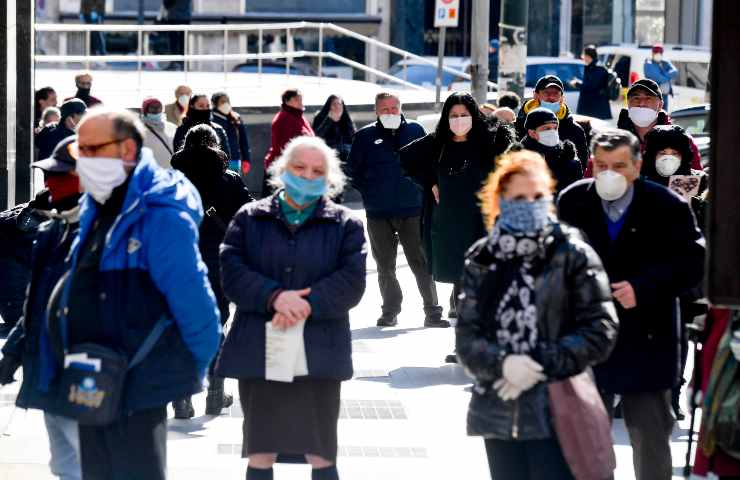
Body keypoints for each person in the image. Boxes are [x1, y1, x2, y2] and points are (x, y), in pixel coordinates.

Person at [52, 107, 221, 479]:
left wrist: (183, 373)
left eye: (93, 149)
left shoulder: (160, 212)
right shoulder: (98, 202)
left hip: (140, 380)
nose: (84, 161)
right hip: (91, 375)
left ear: (127, 150)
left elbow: (195, 301)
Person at [456, 149, 618, 480]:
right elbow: (467, 336)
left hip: (558, 407)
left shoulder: (571, 252)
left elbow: (601, 329)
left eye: (537, 196)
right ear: (500, 199)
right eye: (519, 197)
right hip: (499, 407)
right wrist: (503, 364)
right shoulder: (483, 257)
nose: (529, 204)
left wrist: (538, 364)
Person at [557, 129, 705, 480]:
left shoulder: (666, 205)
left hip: (649, 336)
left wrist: (644, 287)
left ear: (638, 165)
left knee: (650, 436)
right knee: (585, 442)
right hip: (587, 336)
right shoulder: (573, 201)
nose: (610, 174)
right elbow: (552, 260)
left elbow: (692, 262)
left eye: (620, 166)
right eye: (602, 165)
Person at [216, 135, 367, 480]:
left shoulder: (346, 224)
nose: (307, 176)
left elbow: (351, 281)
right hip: (261, 347)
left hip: (319, 351)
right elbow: (232, 270)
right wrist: (274, 297)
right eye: (299, 168)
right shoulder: (250, 217)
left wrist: (305, 303)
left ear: (330, 179)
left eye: (317, 171)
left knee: (320, 451)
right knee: (261, 450)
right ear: (283, 169)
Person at [0, 136, 84, 480]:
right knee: (65, 463)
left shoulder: (118, 231)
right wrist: (14, 349)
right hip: (51, 368)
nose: (50, 183)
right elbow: (38, 299)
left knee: (92, 461)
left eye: (61, 176)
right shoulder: (53, 230)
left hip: (96, 372)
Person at [400, 92, 515, 333]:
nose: (459, 120)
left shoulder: (490, 142)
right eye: (454, 115)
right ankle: (464, 343)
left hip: (482, 223)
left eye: (464, 114)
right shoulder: (437, 143)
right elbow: (406, 159)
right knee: (461, 283)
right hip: (449, 225)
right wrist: (429, 181)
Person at [170, 124, 253, 418]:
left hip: (180, 262)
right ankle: (215, 395)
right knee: (217, 324)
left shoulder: (171, 180)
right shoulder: (229, 179)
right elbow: (249, 217)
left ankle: (181, 398)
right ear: (216, 145)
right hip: (219, 261)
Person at [346, 92, 445, 328]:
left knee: (421, 261)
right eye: (385, 109)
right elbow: (352, 171)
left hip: (413, 209)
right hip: (378, 212)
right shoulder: (364, 136)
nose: (390, 113)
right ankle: (390, 310)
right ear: (376, 111)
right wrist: (370, 193)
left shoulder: (415, 130)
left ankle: (432, 311)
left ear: (401, 108)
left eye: (394, 108)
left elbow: (430, 164)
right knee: (385, 265)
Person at [642, 124, 708, 420]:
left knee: (677, 336)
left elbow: (705, 230)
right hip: (642, 271)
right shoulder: (639, 181)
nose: (668, 158)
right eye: (662, 152)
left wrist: (692, 204)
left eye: (674, 152)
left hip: (680, 274)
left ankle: (673, 393)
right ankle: (635, 393)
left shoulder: (699, 183)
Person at [584, 79, 702, 177]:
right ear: (628, 103)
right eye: (636, 98)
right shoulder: (613, 140)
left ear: (660, 104)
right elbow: (591, 176)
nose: (641, 103)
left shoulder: (681, 140)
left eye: (648, 98)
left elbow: (695, 179)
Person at [515, 75, 589, 167]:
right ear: (535, 95)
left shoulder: (575, 130)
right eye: (546, 93)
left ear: (562, 98)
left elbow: (581, 166)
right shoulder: (518, 125)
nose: (551, 98)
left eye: (556, 93)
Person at [263, 89, 315, 197]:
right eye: (296, 99)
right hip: (284, 170)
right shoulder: (284, 118)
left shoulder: (299, 117)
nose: (300, 101)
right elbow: (283, 147)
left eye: (301, 99)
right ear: (287, 101)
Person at [519, 107, 583, 194]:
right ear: (532, 133)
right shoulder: (519, 159)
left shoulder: (568, 158)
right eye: (547, 129)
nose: (552, 132)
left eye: (555, 128)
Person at [173, 93, 231, 157]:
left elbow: (226, 155)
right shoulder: (183, 129)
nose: (205, 109)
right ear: (192, 106)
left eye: (207, 106)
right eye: (201, 106)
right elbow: (178, 155)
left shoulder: (218, 129)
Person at [211, 91, 251, 175]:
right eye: (222, 101)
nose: (226, 104)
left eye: (227, 101)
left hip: (235, 161)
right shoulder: (211, 119)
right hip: (217, 162)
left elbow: (243, 141)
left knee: (234, 185)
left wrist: (246, 159)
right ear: (215, 103)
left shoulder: (236, 118)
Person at [312, 95, 355, 167]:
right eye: (334, 104)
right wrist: (330, 120)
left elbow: (353, 138)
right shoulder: (320, 117)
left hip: (347, 158)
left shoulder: (346, 118)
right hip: (328, 157)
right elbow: (316, 137)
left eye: (339, 104)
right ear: (329, 106)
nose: (337, 107)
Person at [573, 45, 612, 120]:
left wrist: (577, 84)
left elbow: (591, 86)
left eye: (583, 55)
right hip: (592, 108)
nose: (582, 57)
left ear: (588, 56)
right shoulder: (592, 67)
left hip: (596, 108)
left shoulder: (598, 68)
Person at [140, 97, 177, 168]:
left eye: (159, 107)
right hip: (152, 173)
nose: (156, 110)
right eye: (152, 107)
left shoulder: (172, 127)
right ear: (145, 110)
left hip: (171, 171)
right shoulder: (139, 130)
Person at [158, 0, 192, 71]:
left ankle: (174, 63)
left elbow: (167, 3)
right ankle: (183, 63)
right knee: (183, 41)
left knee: (173, 41)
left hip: (174, 16)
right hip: (186, 16)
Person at [644, 44, 678, 111]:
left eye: (660, 52)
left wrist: (665, 74)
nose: (658, 54)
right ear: (652, 53)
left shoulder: (664, 63)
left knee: (664, 115)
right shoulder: (648, 64)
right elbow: (659, 78)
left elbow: (675, 72)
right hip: (653, 95)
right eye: (656, 52)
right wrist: (668, 77)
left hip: (664, 95)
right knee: (655, 115)